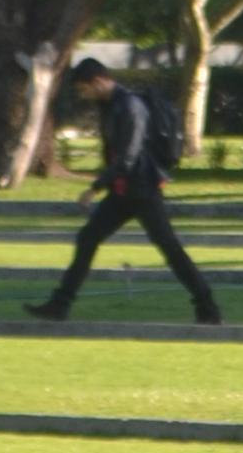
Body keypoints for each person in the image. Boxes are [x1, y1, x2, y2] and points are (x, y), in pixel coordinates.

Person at [23, 56, 221, 322]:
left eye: (84, 89)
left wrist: (95, 187)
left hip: (142, 190)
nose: (84, 96)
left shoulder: (130, 106)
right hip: (123, 190)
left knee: (169, 248)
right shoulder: (111, 106)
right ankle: (60, 304)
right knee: (88, 238)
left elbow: (128, 155)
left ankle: (207, 305)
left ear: (98, 81)